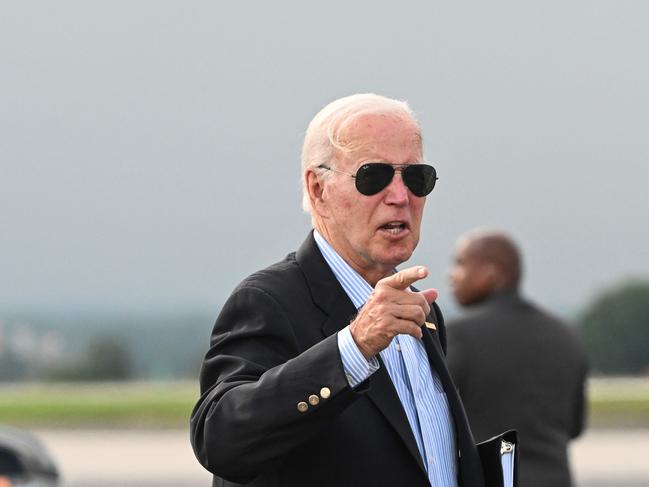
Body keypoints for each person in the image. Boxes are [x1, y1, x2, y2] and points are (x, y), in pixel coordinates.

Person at [190, 94, 486, 487]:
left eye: (416, 178)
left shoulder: (421, 311)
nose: (400, 196)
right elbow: (219, 438)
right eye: (373, 177)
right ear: (318, 190)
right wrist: (354, 346)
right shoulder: (269, 300)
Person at [447, 229, 589, 487]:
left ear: (492, 273)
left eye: (461, 264)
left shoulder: (460, 336)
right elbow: (576, 427)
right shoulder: (565, 334)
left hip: (494, 478)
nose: (452, 276)